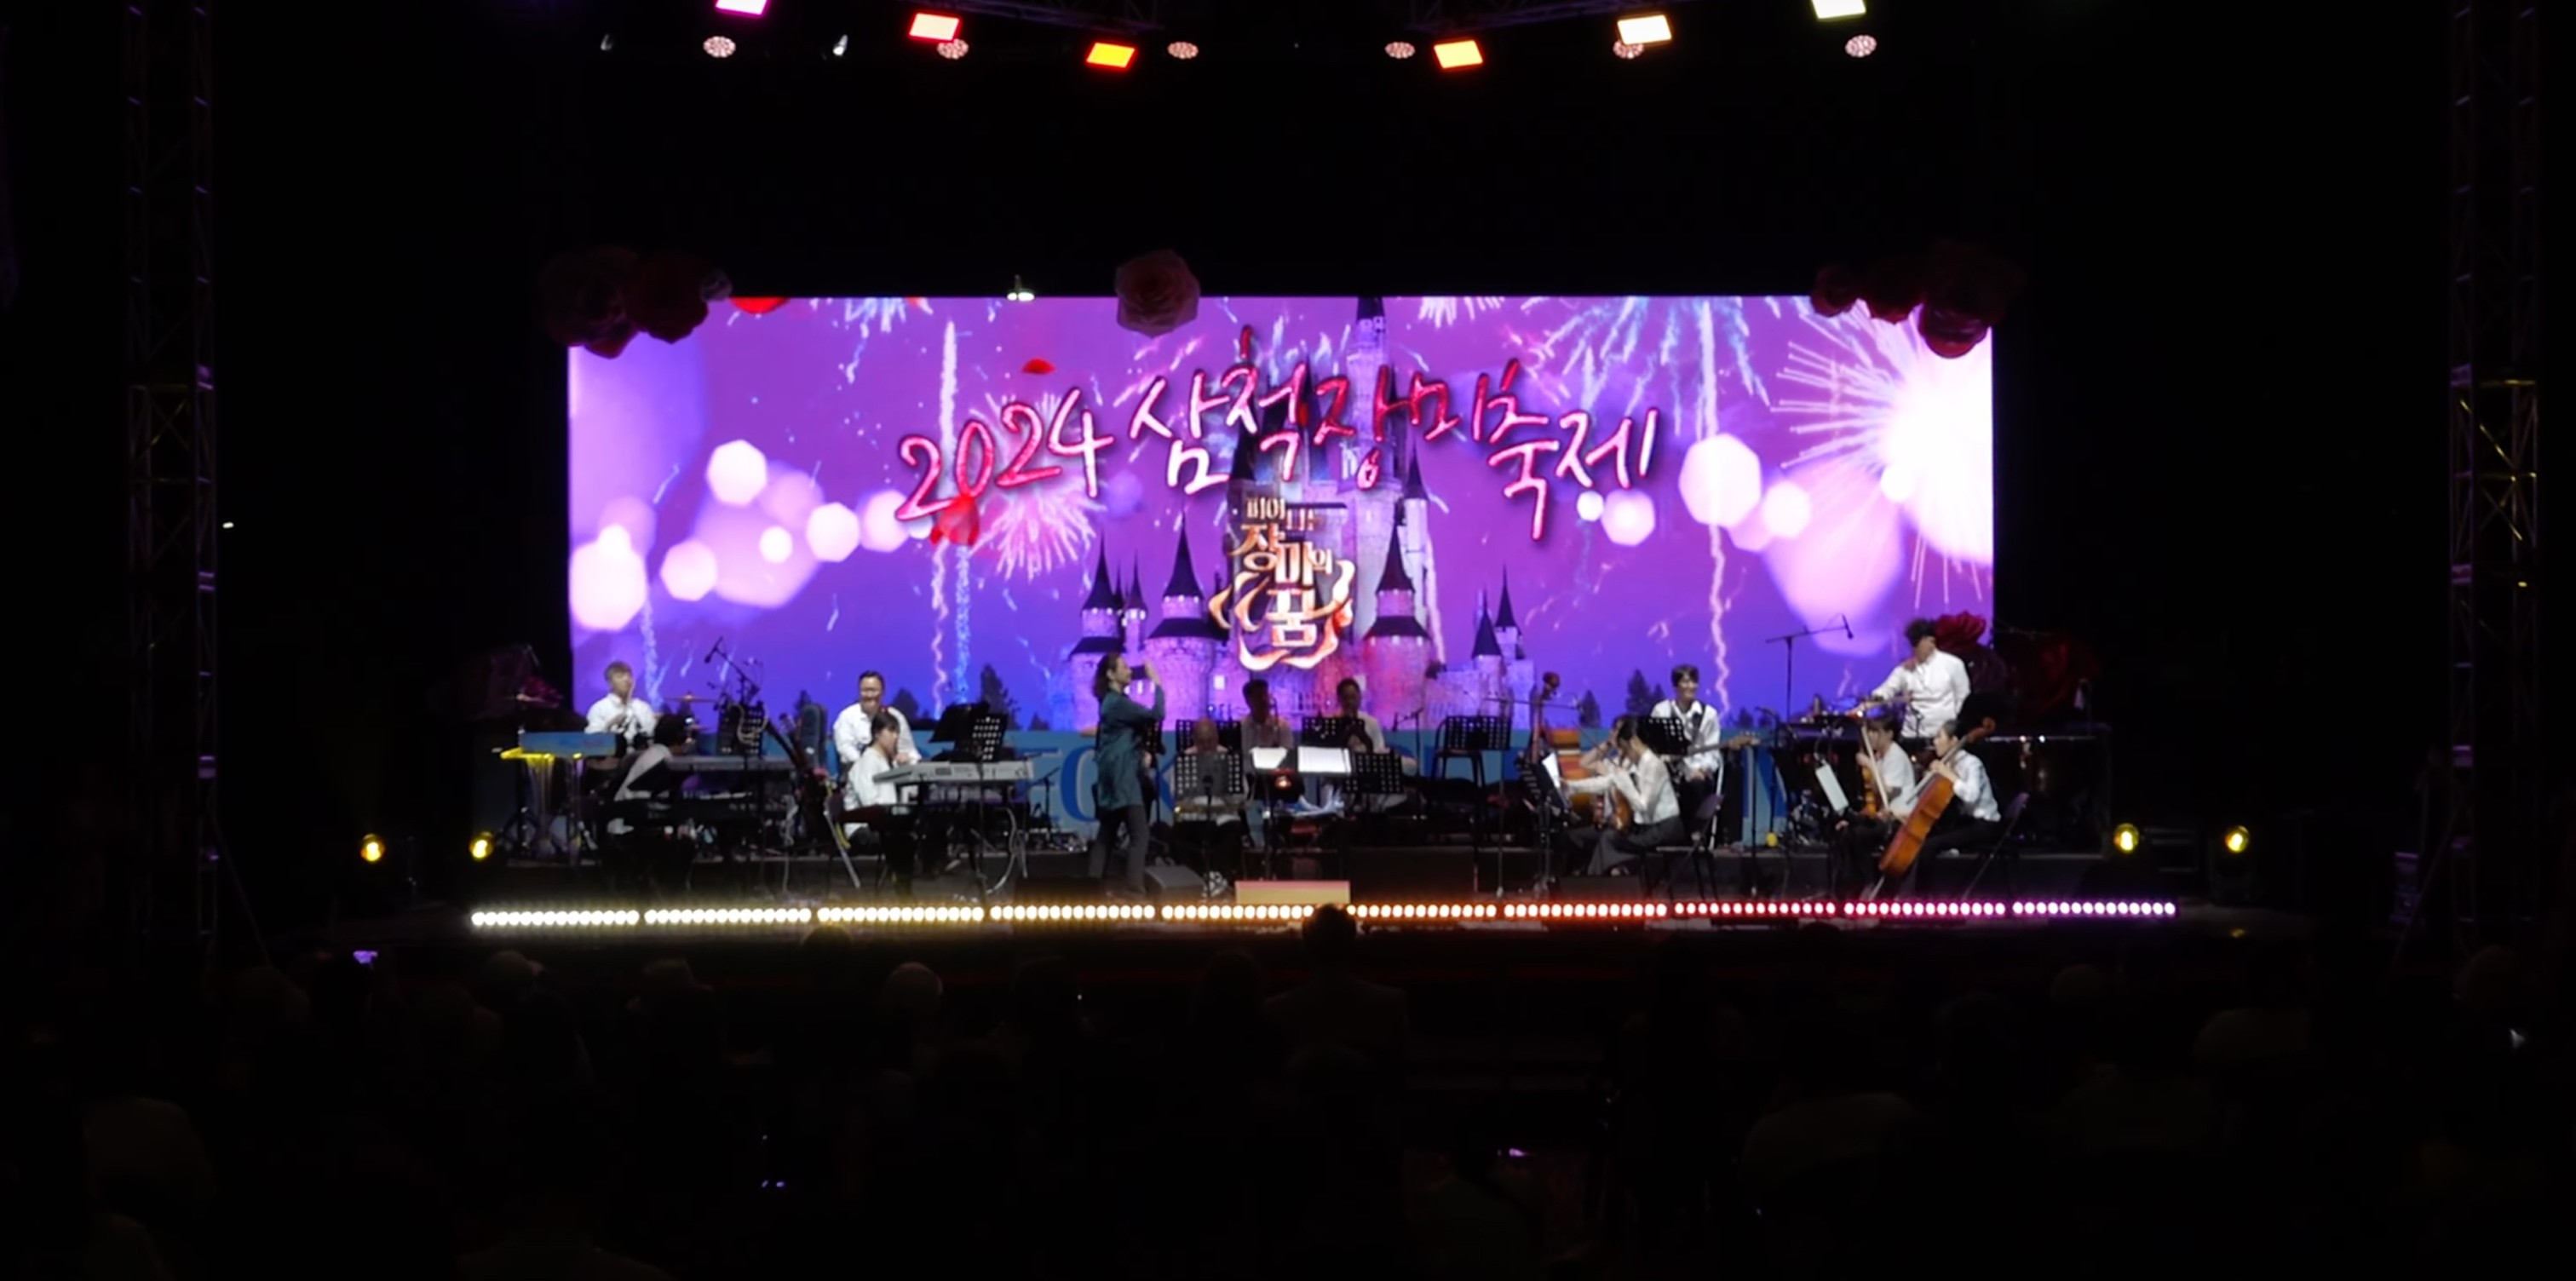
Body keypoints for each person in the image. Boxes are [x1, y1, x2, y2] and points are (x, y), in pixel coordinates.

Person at [1882, 719, 2004, 895]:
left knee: (1929, 846)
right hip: (1966, 822)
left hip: (1985, 825)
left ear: (1954, 741)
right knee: (1918, 837)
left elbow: (1971, 795)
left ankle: (1924, 899)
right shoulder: (1950, 763)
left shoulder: (1972, 763)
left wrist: (1948, 774)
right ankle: (1899, 892)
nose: (1935, 741)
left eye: (1940, 737)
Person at [1563, 715, 1683, 876]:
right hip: (1649, 827)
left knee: (1609, 838)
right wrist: (1572, 786)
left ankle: (1601, 879)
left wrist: (1626, 783)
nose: (1625, 754)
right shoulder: (1640, 763)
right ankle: (1604, 877)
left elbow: (1643, 806)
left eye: (1626, 749)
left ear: (1634, 742)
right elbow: (1607, 782)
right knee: (1609, 837)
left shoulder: (1653, 765)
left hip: (1665, 829)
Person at [1088, 653, 1164, 893]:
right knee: (1140, 834)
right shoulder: (1117, 704)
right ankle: (1134, 891)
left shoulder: (1112, 702)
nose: (1130, 671)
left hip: (1114, 776)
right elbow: (1156, 715)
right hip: (1123, 777)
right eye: (1124, 667)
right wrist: (1157, 684)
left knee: (1107, 834)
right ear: (1111, 674)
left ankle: (1091, 890)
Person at [1830, 715, 1918, 890]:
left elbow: (1887, 792)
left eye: (1876, 732)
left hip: (1899, 819)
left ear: (1889, 734)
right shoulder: (1882, 758)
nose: (1871, 736)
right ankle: (1848, 886)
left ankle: (1868, 882)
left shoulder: (1896, 756)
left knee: (1858, 835)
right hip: (1885, 815)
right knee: (1844, 831)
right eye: (1869, 731)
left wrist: (1870, 765)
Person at [1856, 619, 1972, 741]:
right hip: (1912, 734)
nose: (1914, 650)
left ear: (1931, 642)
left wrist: (1953, 723)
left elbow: (1963, 696)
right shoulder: (1904, 669)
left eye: (1918, 645)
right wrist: (1877, 697)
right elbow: (1888, 688)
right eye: (1913, 645)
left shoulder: (1953, 664)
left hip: (1942, 734)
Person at [844, 709, 919, 890]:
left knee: (913, 834)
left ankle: (905, 887)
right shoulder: (868, 761)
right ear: (877, 734)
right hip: (862, 830)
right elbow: (870, 804)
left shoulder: (887, 763)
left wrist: (904, 770)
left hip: (884, 825)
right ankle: (903, 892)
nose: (895, 737)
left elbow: (911, 794)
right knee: (904, 840)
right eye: (891, 731)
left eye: (897, 732)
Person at [1171, 718, 1248, 877]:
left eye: (1210, 741)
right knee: (1179, 832)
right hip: (1194, 819)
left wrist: (1224, 791)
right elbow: (1175, 794)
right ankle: (1191, 879)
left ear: (1217, 738)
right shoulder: (1184, 759)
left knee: (1232, 832)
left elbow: (1243, 795)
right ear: (1194, 740)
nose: (1206, 746)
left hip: (1222, 819)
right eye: (1201, 742)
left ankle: (1220, 878)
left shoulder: (1229, 757)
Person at [833, 670, 919, 777]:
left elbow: (911, 752)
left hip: (893, 775)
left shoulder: (896, 716)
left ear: (883, 692)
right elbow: (845, 750)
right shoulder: (847, 716)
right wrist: (872, 765)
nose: (869, 695)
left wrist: (906, 758)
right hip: (858, 775)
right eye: (865, 690)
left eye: (874, 690)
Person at [584, 660, 658, 744]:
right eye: (620, 676)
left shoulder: (642, 707)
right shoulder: (599, 708)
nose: (626, 680)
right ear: (610, 683)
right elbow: (590, 741)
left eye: (629, 676)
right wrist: (609, 724)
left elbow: (652, 734)